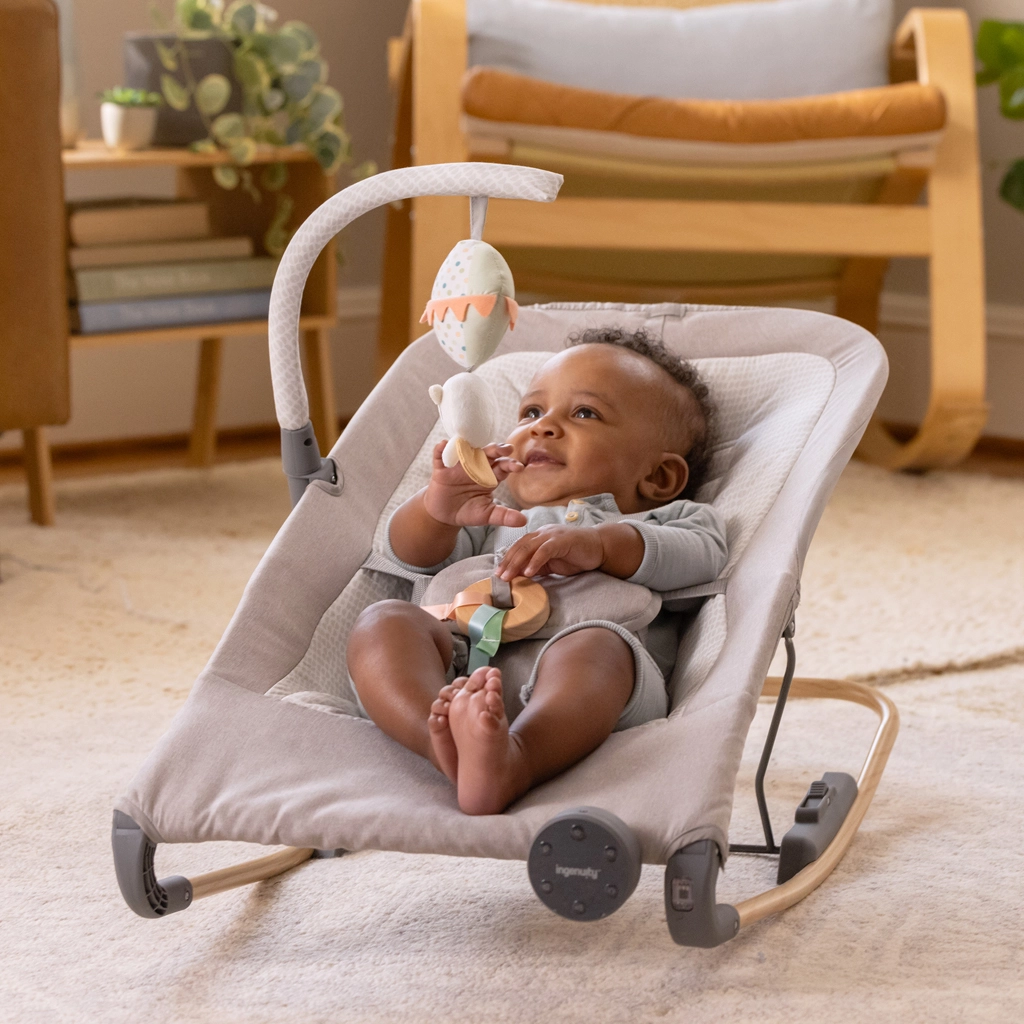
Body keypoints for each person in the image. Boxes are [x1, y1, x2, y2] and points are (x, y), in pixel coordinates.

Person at [347, 327, 728, 814]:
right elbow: (411, 558)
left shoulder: (667, 518)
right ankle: (441, 742)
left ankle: (517, 760)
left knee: (598, 645)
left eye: (585, 413)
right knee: (384, 619)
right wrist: (436, 510)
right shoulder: (496, 515)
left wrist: (602, 544)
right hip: (463, 669)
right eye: (531, 412)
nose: (542, 427)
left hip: (587, 696)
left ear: (658, 476)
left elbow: (703, 555)